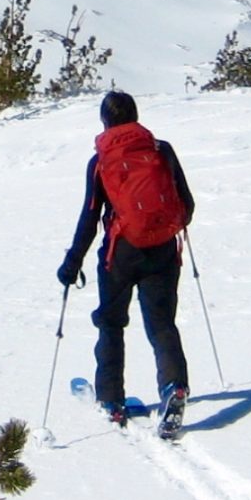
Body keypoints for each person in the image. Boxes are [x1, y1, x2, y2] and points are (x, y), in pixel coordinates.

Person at [57, 91, 194, 440]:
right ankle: (174, 387)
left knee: (111, 322)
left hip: (121, 253)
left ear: (104, 120)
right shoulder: (162, 150)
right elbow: (186, 204)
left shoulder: (101, 161)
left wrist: (73, 262)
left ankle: (112, 401)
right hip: (163, 250)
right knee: (162, 323)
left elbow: (90, 217)